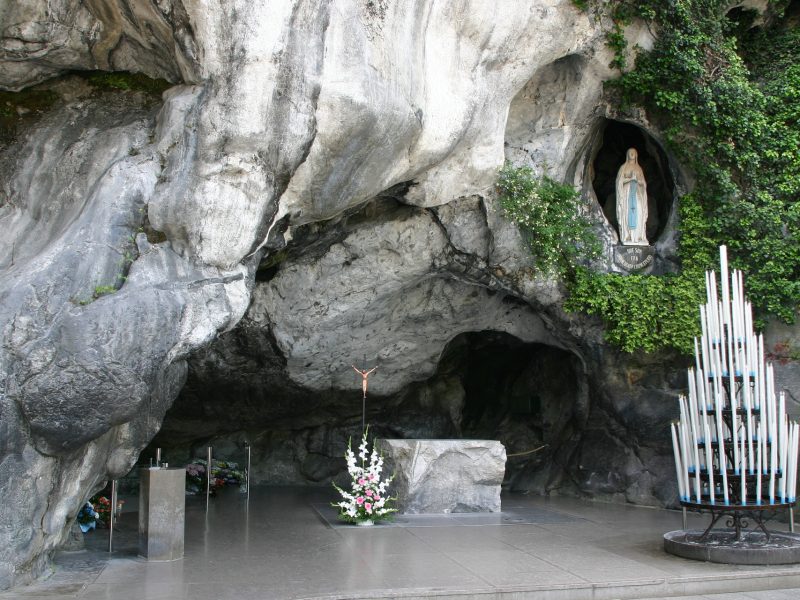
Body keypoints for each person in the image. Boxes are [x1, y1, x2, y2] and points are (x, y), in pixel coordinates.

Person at [615, 148, 649, 245]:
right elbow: (619, 182)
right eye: (630, 152)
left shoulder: (639, 168)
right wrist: (630, 179)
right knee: (626, 212)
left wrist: (637, 181)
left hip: (637, 193)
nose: (632, 153)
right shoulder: (623, 167)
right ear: (627, 154)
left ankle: (638, 236)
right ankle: (628, 236)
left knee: (638, 212)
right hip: (626, 194)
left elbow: (644, 183)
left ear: (637, 154)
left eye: (634, 152)